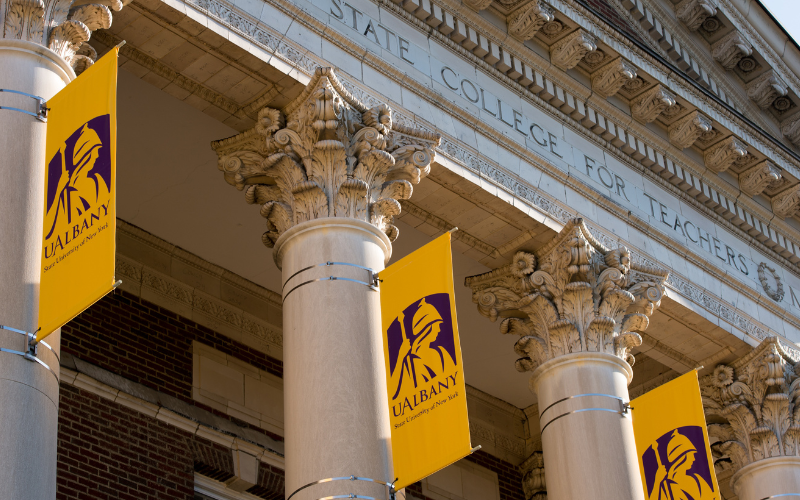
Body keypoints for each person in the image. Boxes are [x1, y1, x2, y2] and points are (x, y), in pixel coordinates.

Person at [391, 298, 455, 400]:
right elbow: (392, 393)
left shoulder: (442, 353)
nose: (439, 330)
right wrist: (401, 356)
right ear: (427, 327)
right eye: (436, 325)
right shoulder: (408, 361)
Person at [649, 429, 713, 500]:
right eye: (691, 455)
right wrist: (657, 482)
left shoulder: (698, 479)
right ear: (682, 457)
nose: (694, 459)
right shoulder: (667, 486)